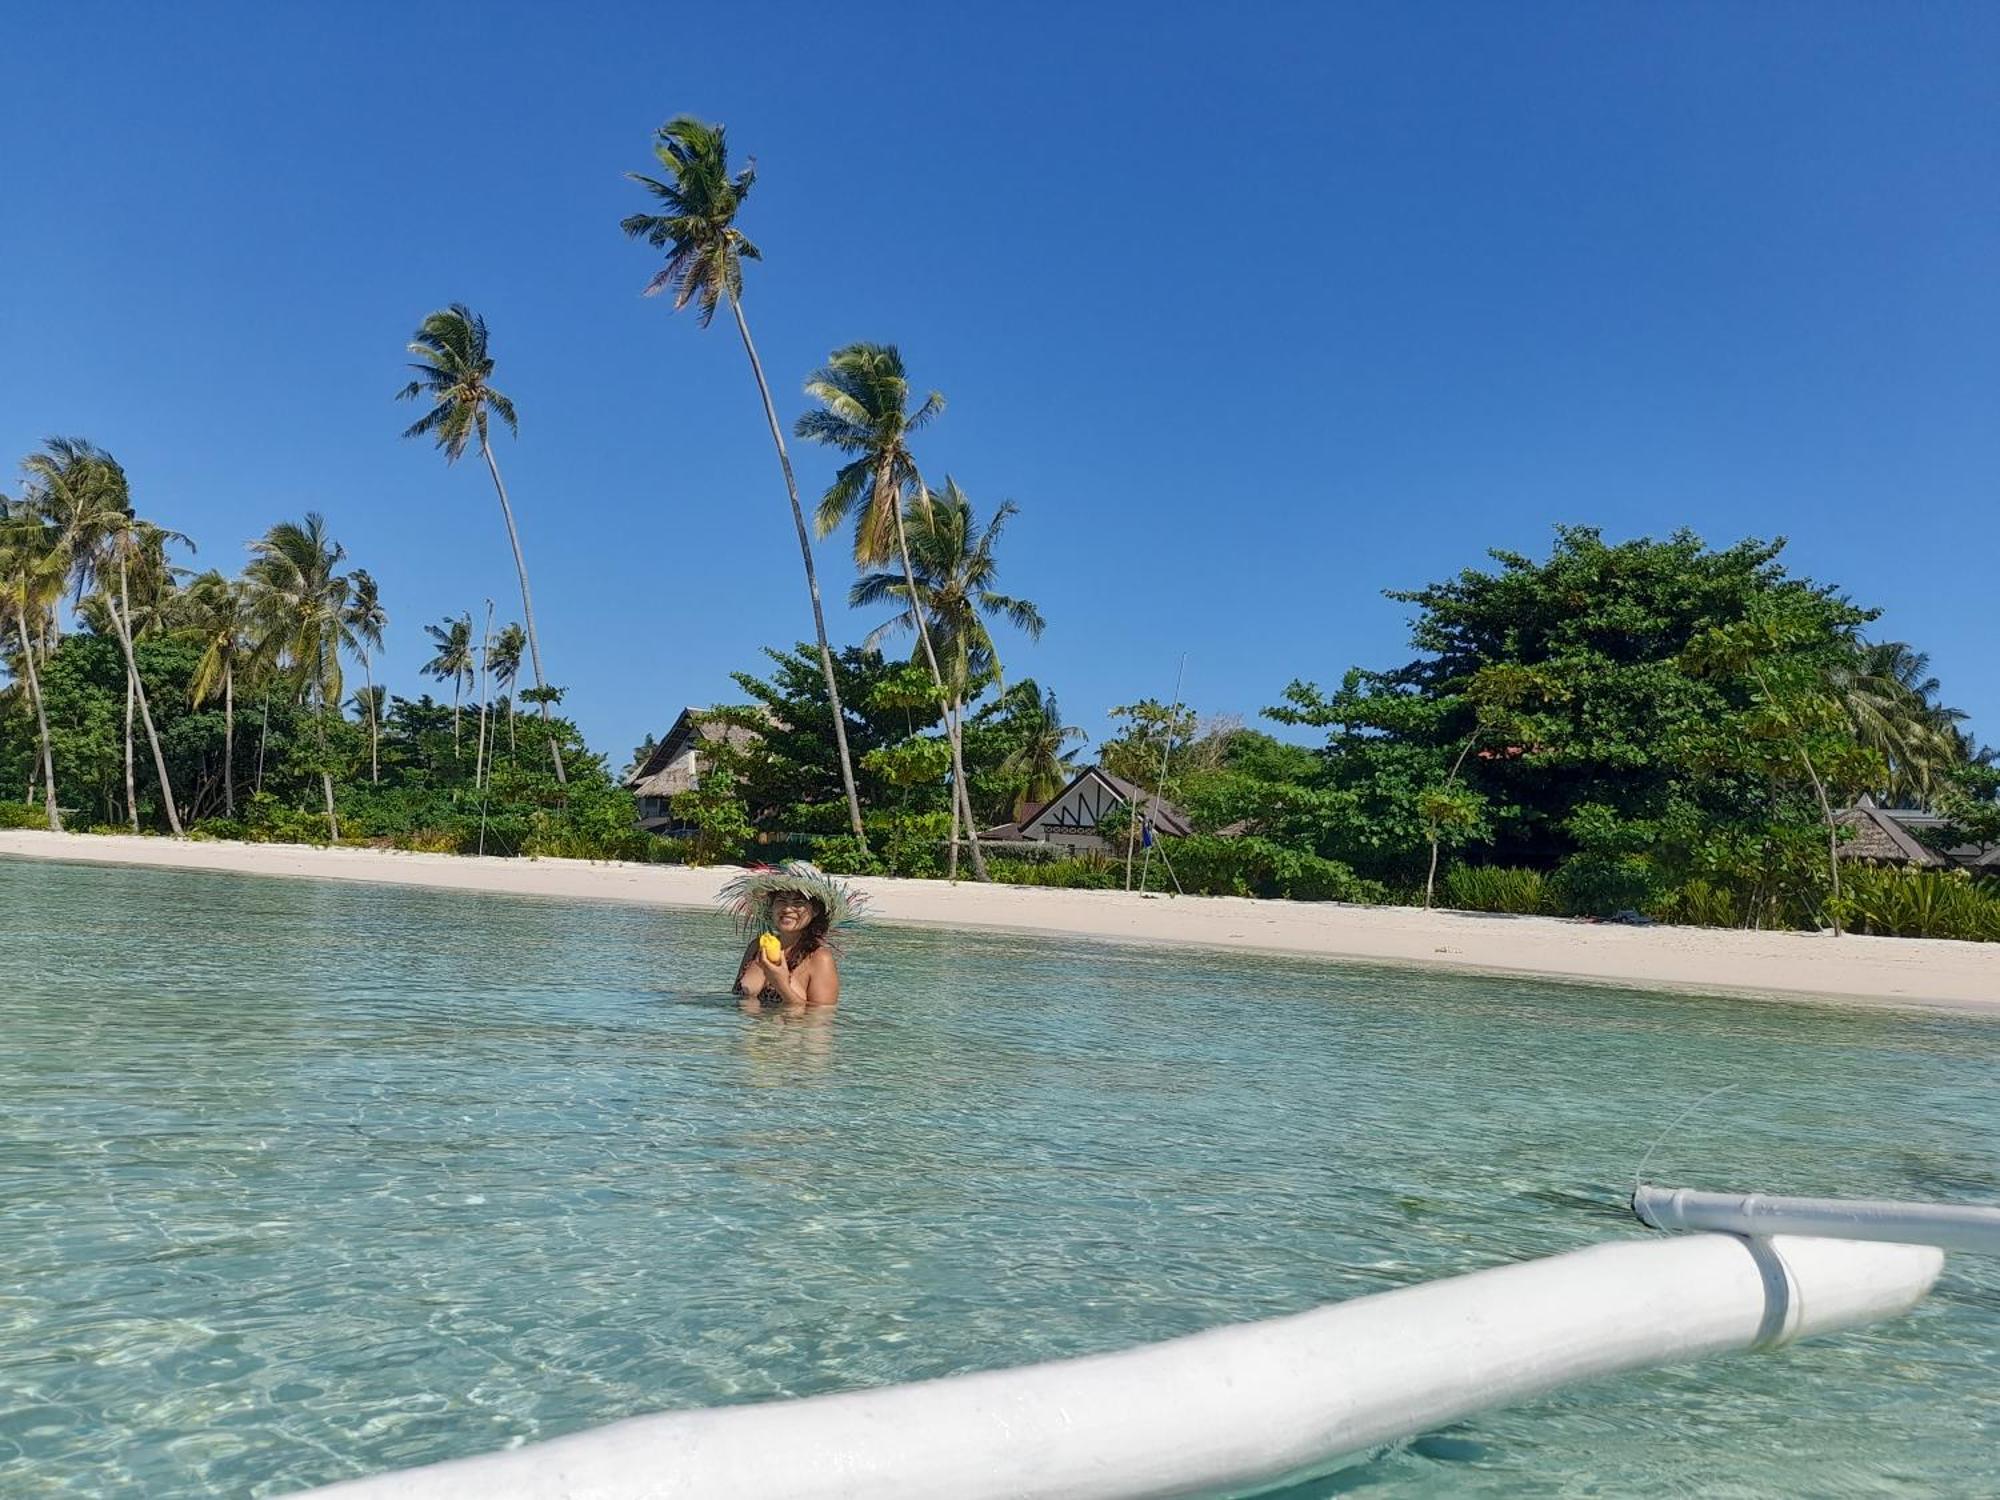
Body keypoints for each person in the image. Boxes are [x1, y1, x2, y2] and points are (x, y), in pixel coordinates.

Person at [720, 861, 866, 1012]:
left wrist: (780, 983)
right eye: (781, 901)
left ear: (815, 910)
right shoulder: (756, 946)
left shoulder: (820, 959)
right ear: (771, 906)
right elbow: (734, 1001)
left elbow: (821, 1021)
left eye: (798, 903)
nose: (788, 909)